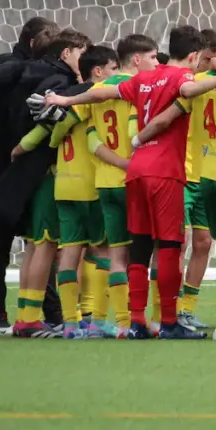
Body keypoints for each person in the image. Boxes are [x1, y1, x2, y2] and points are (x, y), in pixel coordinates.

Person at [45, 25, 216, 340]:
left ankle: (137, 321)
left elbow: (102, 91)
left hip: (136, 173)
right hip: (164, 172)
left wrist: (64, 99)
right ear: (194, 57)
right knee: (169, 247)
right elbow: (185, 93)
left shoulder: (144, 78)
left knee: (139, 248)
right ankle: (169, 322)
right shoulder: (181, 77)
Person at [14, 45, 119, 339]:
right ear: (98, 72)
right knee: (102, 250)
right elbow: (94, 139)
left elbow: (46, 133)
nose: (117, 75)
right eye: (113, 69)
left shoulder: (64, 103)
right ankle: (95, 318)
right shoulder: (95, 99)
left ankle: (70, 322)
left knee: (68, 251)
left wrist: (21, 148)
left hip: (63, 185)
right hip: (91, 185)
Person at [3, 28, 92, 338]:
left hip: (33, 173)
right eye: (82, 52)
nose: (85, 59)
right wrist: (26, 147)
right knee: (45, 245)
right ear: (66, 53)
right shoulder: (62, 85)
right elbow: (49, 124)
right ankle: (30, 320)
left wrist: (20, 150)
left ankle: (27, 317)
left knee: (35, 245)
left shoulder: (37, 76)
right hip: (49, 174)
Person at [0, 16, 59, 334]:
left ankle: (48, 312)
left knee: (41, 239)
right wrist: (30, 68)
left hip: (28, 169)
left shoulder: (50, 75)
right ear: (35, 41)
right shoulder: (7, 65)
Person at [82, 34, 159, 339]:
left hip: (105, 182)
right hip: (133, 181)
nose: (156, 64)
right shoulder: (136, 89)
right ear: (136, 59)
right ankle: (140, 320)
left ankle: (114, 322)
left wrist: (114, 163)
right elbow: (134, 132)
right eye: (152, 57)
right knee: (143, 253)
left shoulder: (96, 90)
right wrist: (130, 163)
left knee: (114, 255)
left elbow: (91, 138)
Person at [173, 28, 216, 331]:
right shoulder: (187, 84)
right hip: (181, 174)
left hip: (206, 175)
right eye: (208, 58)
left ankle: (188, 308)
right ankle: (170, 308)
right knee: (177, 244)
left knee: (205, 242)